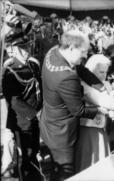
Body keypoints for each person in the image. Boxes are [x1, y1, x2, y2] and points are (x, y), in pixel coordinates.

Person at [39, 30, 106, 180]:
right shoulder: (66, 77)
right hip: (62, 136)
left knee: (55, 171)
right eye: (83, 52)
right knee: (65, 174)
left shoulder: (54, 51)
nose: (85, 56)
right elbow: (78, 109)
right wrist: (102, 109)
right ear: (71, 48)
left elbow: (79, 68)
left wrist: (100, 86)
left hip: (50, 124)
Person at [2, 42, 42, 180]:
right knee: (25, 157)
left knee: (34, 152)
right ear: (12, 50)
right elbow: (14, 101)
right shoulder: (10, 71)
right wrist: (34, 114)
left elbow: (39, 89)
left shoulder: (33, 65)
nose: (26, 51)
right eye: (22, 48)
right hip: (22, 122)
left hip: (35, 119)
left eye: (27, 47)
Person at [75, 54, 112, 172]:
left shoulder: (105, 84)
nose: (104, 76)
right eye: (101, 72)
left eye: (106, 72)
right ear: (91, 71)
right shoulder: (82, 85)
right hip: (87, 131)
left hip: (101, 129)